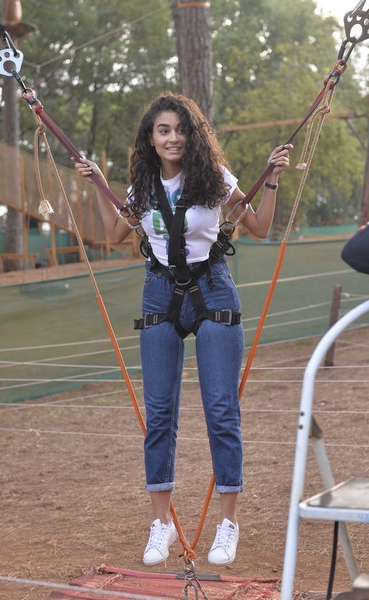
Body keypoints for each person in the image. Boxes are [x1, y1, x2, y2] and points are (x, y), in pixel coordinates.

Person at [74, 92, 292, 567]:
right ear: (150, 140)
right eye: (163, 130)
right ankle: (162, 524)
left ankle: (228, 523)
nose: (173, 138)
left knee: (220, 409)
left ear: (192, 136)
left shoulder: (214, 180)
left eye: (180, 130)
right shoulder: (142, 188)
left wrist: (271, 179)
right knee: (160, 414)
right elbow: (114, 234)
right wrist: (96, 184)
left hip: (212, 291)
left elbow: (258, 226)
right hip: (159, 295)